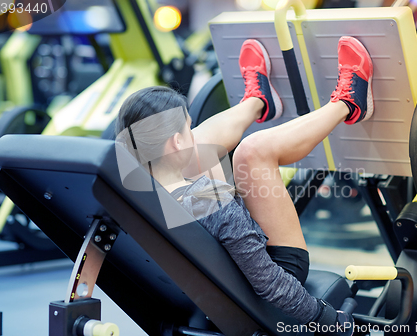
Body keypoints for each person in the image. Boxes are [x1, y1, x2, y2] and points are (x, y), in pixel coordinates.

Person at [115, 36, 373, 335]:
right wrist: (326, 318)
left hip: (219, 287)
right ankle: (348, 103)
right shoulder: (212, 202)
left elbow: (182, 149)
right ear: (175, 141)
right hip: (267, 284)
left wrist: (187, 136)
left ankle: (259, 100)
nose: (190, 134)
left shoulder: (127, 196)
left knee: (200, 144)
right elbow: (271, 285)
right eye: (185, 130)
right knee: (253, 151)